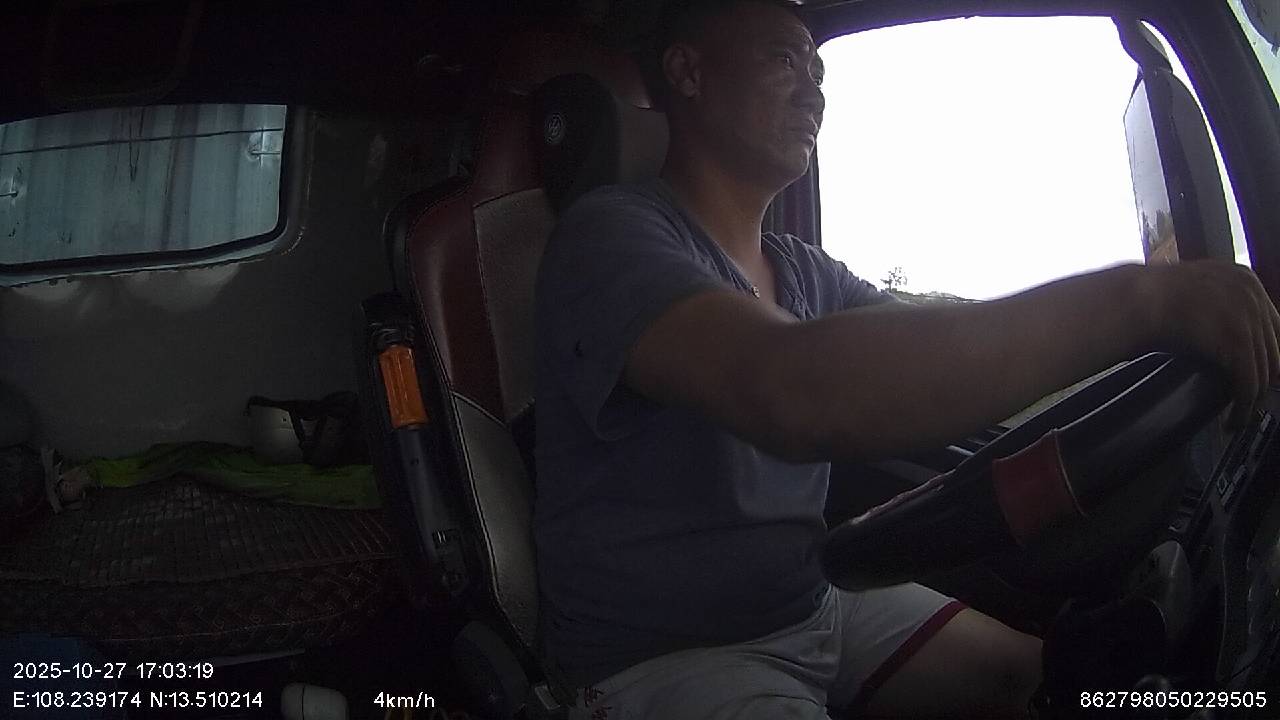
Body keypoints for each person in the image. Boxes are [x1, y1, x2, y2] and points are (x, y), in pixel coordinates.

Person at [532, 0, 1280, 717]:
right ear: (689, 72)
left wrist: (1137, 337)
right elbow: (791, 386)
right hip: (669, 652)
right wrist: (1139, 301)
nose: (814, 93)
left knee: (1061, 687)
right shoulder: (609, 239)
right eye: (785, 60)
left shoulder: (803, 269)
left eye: (819, 72)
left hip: (810, 601)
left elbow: (935, 354)